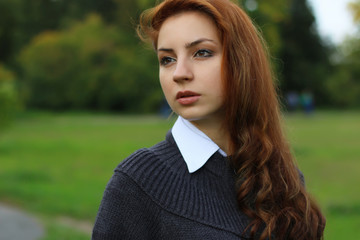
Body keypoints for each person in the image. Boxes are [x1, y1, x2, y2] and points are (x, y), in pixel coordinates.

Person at [92, 0, 326, 239]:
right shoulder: (137, 182)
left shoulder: (282, 176)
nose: (180, 73)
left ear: (241, 61)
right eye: (167, 59)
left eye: (201, 52)